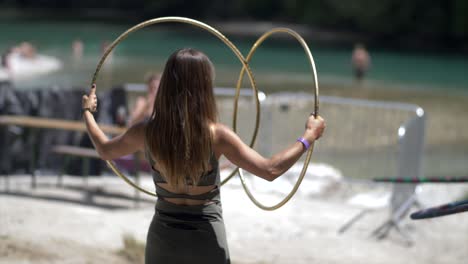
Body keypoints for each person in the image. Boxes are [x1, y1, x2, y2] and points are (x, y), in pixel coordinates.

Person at [82, 48, 325, 264]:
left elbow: (104, 149)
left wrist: (88, 114)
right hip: (206, 240)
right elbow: (270, 170)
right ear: (204, 86)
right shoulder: (217, 136)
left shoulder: (147, 131)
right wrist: (307, 137)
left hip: (163, 240)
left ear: (167, 84)